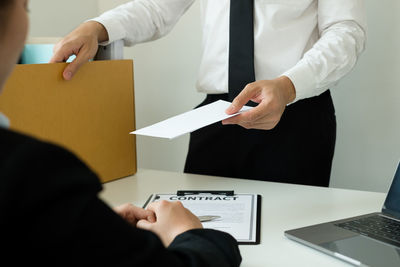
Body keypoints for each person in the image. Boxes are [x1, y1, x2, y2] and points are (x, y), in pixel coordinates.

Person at [0, 0, 241, 265]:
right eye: (26, 7)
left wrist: (93, 225)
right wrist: (189, 233)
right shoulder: (33, 171)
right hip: (218, 117)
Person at [51, 0, 367, 187]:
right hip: (216, 115)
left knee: (288, 237)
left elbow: (346, 30)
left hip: (295, 113)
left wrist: (288, 85)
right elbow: (157, 9)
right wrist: (96, 27)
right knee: (199, 228)